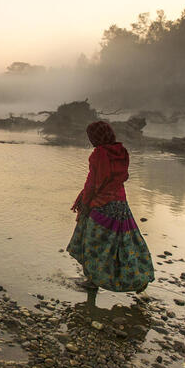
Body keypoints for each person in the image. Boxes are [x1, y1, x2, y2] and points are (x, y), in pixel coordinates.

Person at [68, 121, 154, 292]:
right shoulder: (121, 151)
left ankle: (93, 281)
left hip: (102, 206)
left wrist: (85, 204)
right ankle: (139, 278)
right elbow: (124, 176)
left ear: (97, 137)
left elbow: (93, 183)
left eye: (91, 137)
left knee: (92, 244)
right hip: (121, 204)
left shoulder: (99, 154)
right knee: (125, 243)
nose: (91, 140)